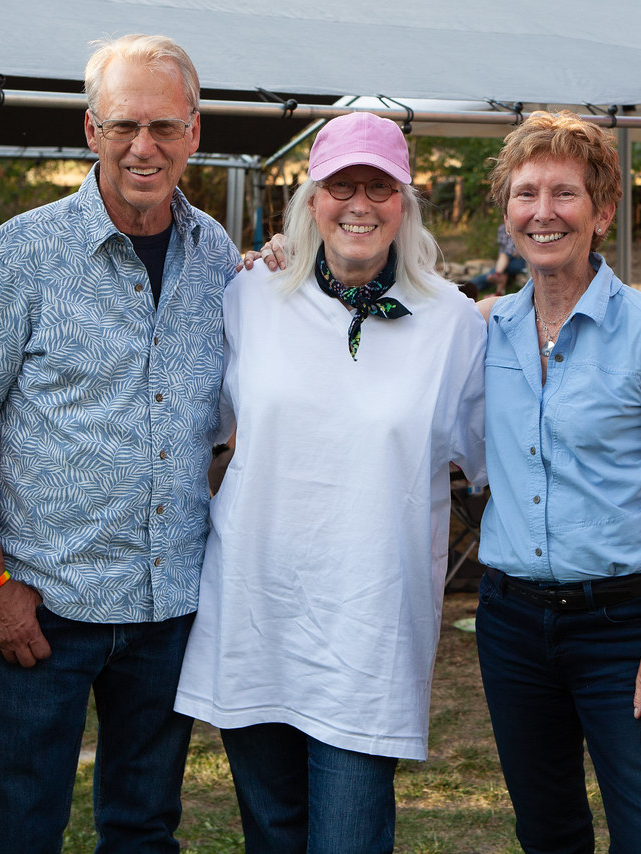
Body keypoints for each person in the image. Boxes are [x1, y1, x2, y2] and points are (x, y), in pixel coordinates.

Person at [0, 34, 241, 852]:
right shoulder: (26, 250)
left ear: (195, 132)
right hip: (42, 607)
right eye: (125, 126)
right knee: (19, 828)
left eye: (165, 127)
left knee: (144, 828)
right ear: (90, 130)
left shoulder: (218, 258)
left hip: (166, 605)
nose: (145, 147)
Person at [174, 112, 487, 853]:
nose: (359, 203)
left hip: (368, 632)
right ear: (311, 199)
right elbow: (196, 428)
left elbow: (492, 463)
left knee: (348, 838)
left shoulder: (451, 322)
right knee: (273, 836)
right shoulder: (251, 297)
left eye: (379, 188)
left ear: (404, 203)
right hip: (256, 616)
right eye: (340, 185)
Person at [475, 111, 641, 853]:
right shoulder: (480, 328)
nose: (544, 212)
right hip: (510, 627)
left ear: (601, 211)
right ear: (508, 214)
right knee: (548, 835)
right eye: (527, 194)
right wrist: (279, 257)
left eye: (565, 194)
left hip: (623, 630)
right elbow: (364, 298)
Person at [470, 221, 526, 294]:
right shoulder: (502, 229)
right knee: (504, 265)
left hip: (518, 259)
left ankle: (470, 284)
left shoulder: (522, 228)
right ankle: (498, 292)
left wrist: (518, 251)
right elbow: (501, 247)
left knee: (490, 274)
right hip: (505, 260)